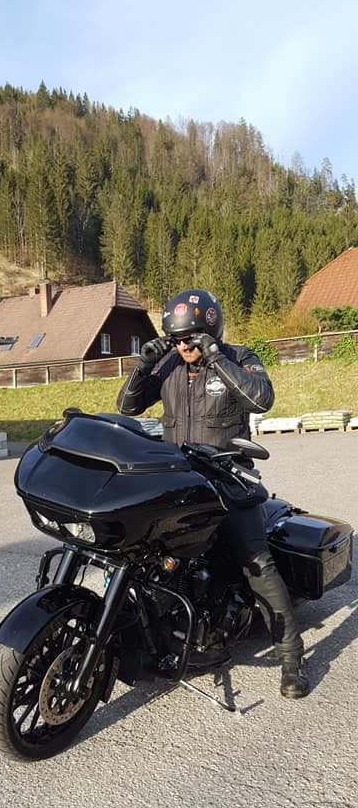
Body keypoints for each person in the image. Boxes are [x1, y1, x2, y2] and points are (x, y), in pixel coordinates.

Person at [116, 288, 309, 699]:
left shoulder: (239, 357)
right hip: (180, 483)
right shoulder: (168, 365)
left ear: (210, 329)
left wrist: (217, 357)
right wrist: (144, 363)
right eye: (176, 338)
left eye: (189, 337)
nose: (183, 346)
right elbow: (128, 407)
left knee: (257, 563)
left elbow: (261, 399)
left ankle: (292, 656)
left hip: (230, 482)